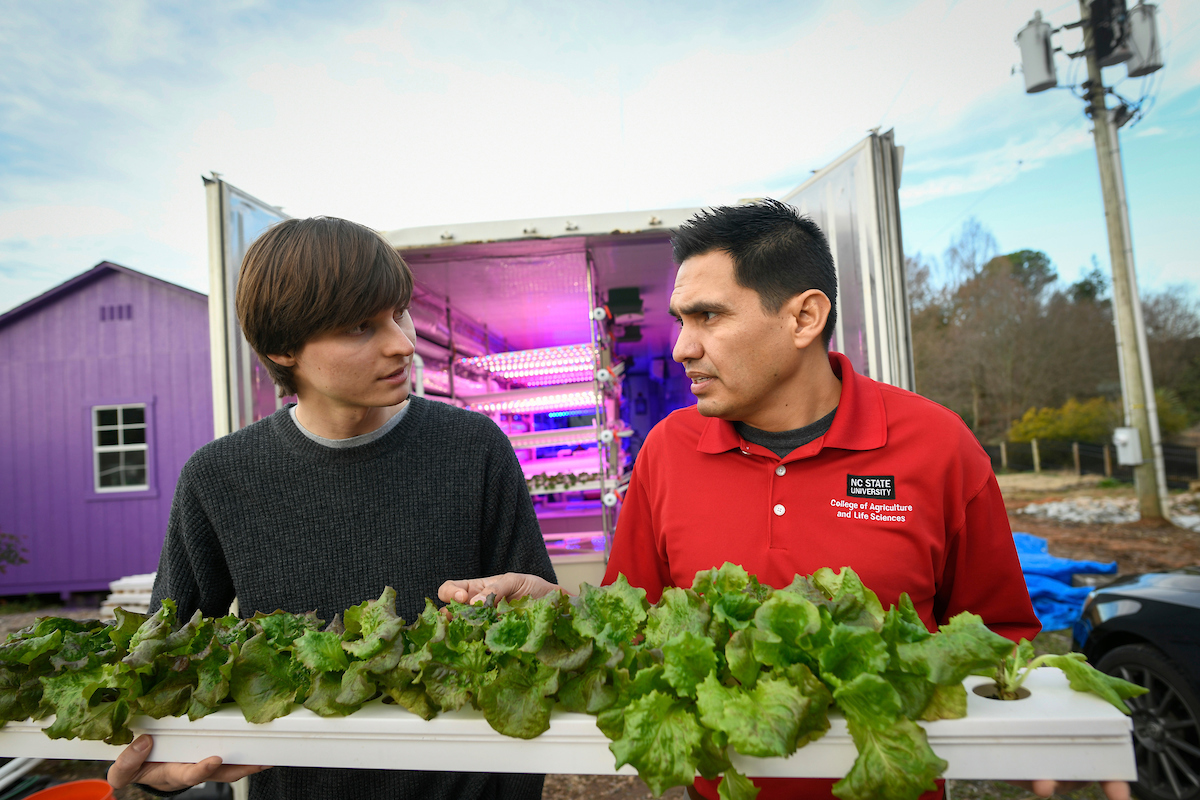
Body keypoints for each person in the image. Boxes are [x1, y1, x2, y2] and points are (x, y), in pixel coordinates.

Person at [441, 200, 1130, 800]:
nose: (682, 347)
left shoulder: (938, 446)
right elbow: (633, 630)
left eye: (708, 316)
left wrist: (1049, 726)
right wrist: (559, 609)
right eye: (682, 318)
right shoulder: (666, 452)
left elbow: (998, 635)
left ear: (804, 317)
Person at [107, 216, 556, 800]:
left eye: (400, 312)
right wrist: (160, 773)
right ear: (281, 347)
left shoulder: (475, 449)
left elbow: (546, 635)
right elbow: (166, 662)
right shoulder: (219, 479)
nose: (402, 342)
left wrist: (545, 606)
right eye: (359, 328)